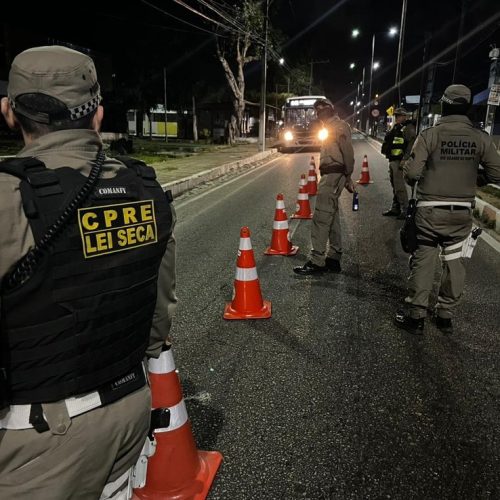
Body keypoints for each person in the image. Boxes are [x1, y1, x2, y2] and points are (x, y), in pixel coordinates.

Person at [0, 46, 177, 499]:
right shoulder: (145, 187)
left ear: (9, 113)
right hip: (128, 414)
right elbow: (157, 323)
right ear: (97, 114)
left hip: (38, 439)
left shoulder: (9, 198)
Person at [395, 84, 500, 335]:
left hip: (430, 211)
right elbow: (496, 173)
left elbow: (411, 173)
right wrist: (475, 180)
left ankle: (417, 315)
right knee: (454, 261)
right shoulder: (480, 138)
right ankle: (445, 315)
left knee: (424, 258)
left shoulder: (430, 135)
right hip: (462, 212)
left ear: (444, 104)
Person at [294, 98, 355, 275]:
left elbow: (348, 154)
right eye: (317, 109)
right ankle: (333, 259)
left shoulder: (339, 126)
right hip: (332, 175)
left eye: (322, 108)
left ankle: (317, 261)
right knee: (332, 217)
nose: (319, 112)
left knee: (321, 217)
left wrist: (348, 176)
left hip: (333, 176)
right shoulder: (327, 127)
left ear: (330, 109)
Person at [380, 108, 416, 219]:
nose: (397, 117)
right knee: (394, 185)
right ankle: (396, 208)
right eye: (396, 115)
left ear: (405, 116)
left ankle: (405, 209)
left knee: (399, 186)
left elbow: (411, 145)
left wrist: (405, 159)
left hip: (400, 161)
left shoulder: (408, 128)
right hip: (393, 160)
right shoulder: (396, 127)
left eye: (399, 115)